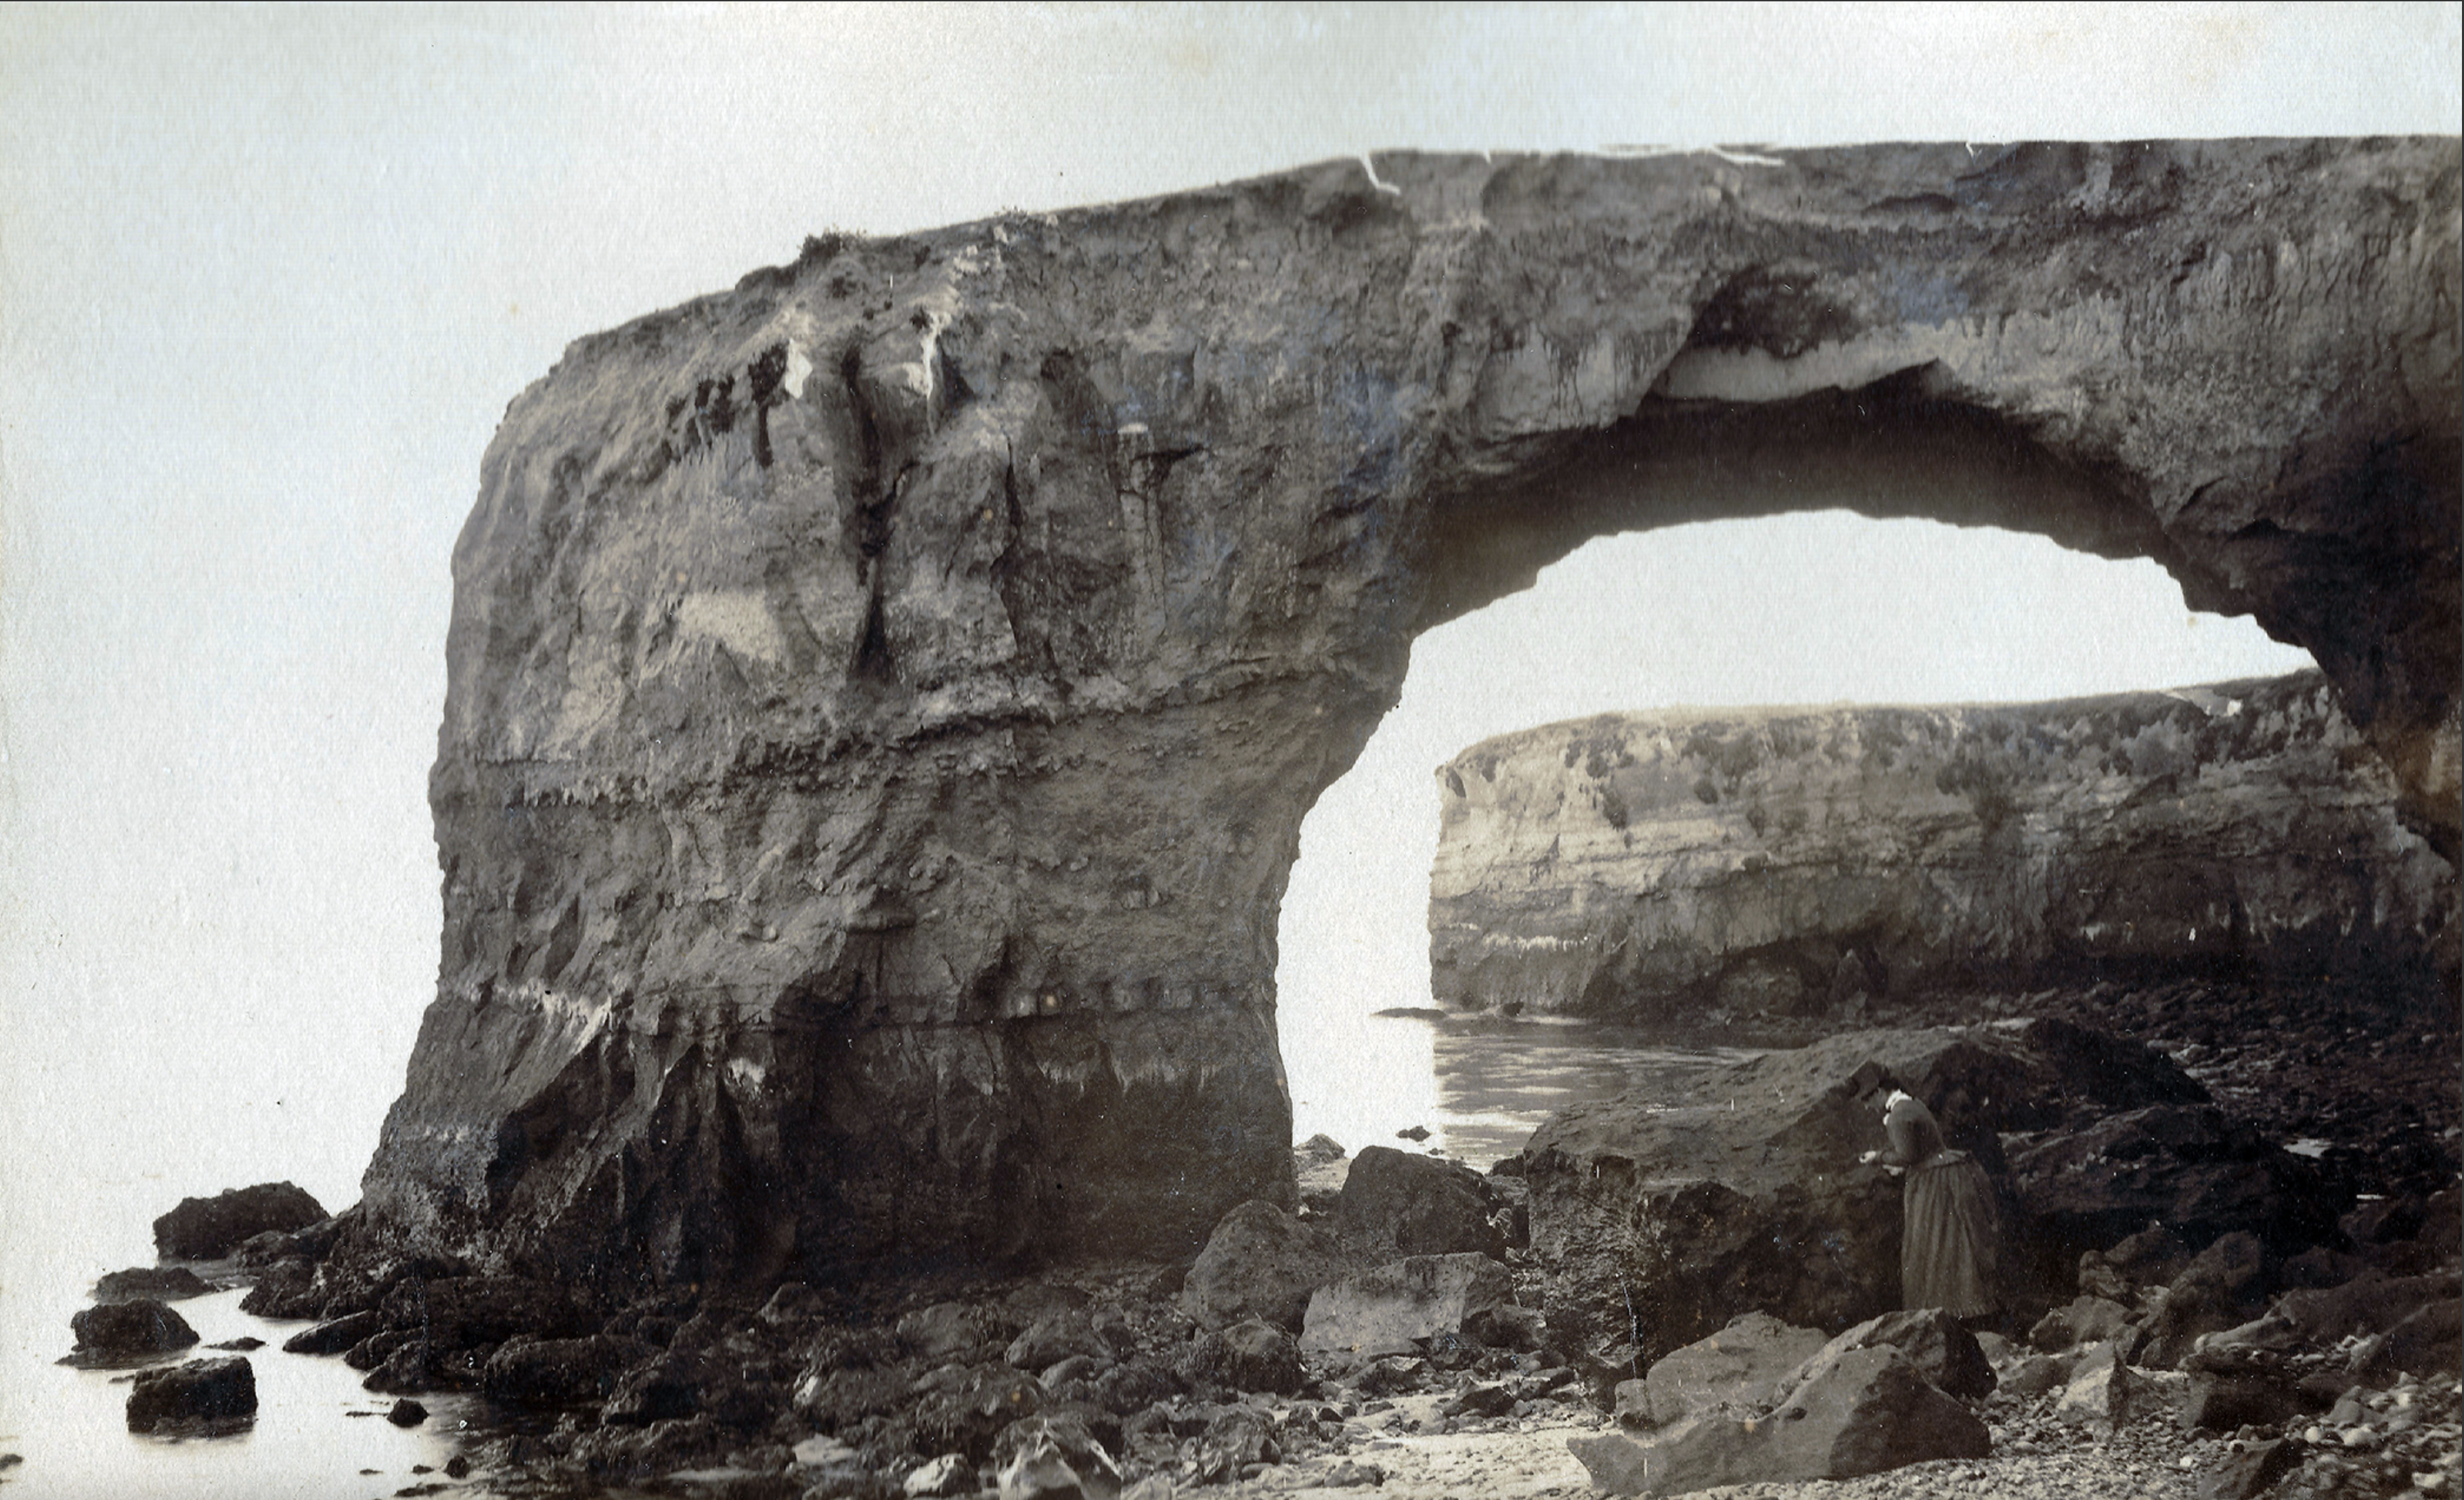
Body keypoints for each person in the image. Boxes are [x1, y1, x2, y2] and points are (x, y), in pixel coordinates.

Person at [1860, 1087, 2001, 1322]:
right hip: (1948, 1176)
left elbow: (1908, 1157)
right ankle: (1967, 1307)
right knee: (1953, 1241)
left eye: (1866, 1099)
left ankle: (1944, 1312)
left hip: (1933, 1184)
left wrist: (1878, 1157)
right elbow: (1921, 1151)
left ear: (1878, 1092)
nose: (1867, 1106)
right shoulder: (1914, 1105)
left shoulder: (1898, 1116)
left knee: (1930, 1246)